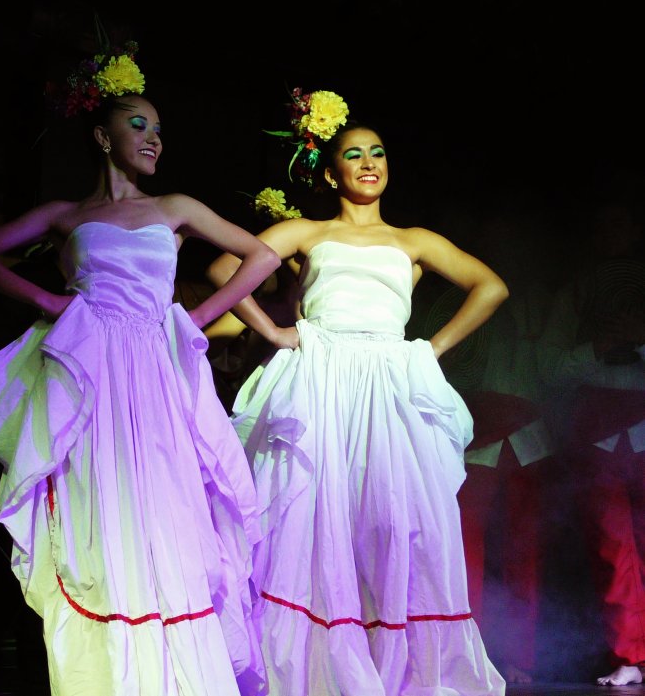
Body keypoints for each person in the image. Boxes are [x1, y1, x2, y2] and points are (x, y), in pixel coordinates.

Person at [0, 44, 279, 696]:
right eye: (138, 124)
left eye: (158, 128)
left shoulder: (174, 207)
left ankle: (177, 675)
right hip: (91, 374)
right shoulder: (68, 215)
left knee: (168, 507)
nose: (153, 138)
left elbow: (262, 255)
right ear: (103, 137)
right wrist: (47, 300)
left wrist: (193, 316)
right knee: (99, 510)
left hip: (156, 375)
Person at [208, 89, 509, 695]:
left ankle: (392, 665)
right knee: (311, 514)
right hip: (319, 377)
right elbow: (223, 271)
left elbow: (490, 286)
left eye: (377, 153)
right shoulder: (307, 231)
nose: (369, 163)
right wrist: (274, 331)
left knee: (394, 519)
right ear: (331, 172)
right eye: (353, 154)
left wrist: (430, 349)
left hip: (388, 381)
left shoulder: (413, 240)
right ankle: (310, 669)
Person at [535, 194, 645, 687]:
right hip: (595, 425)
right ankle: (630, 655)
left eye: (621, 223)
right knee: (612, 545)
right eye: (602, 225)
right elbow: (548, 367)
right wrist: (598, 346)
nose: (611, 234)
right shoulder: (575, 293)